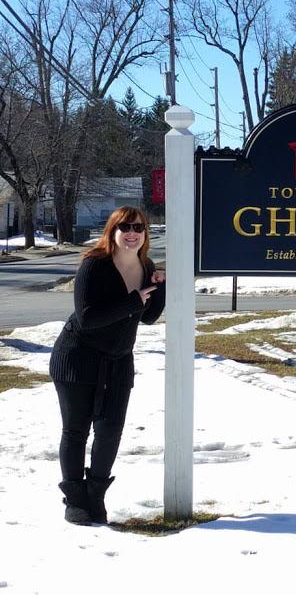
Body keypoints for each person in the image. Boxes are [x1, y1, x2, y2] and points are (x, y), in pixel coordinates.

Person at [50, 207, 166, 525]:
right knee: (76, 431)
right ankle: (74, 500)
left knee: (110, 430)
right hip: (76, 357)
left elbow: (149, 316)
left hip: (119, 360)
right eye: (125, 227)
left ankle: (95, 497)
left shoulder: (146, 266)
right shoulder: (94, 265)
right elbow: (87, 318)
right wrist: (133, 300)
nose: (132, 233)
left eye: (138, 227)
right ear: (112, 231)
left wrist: (159, 290)